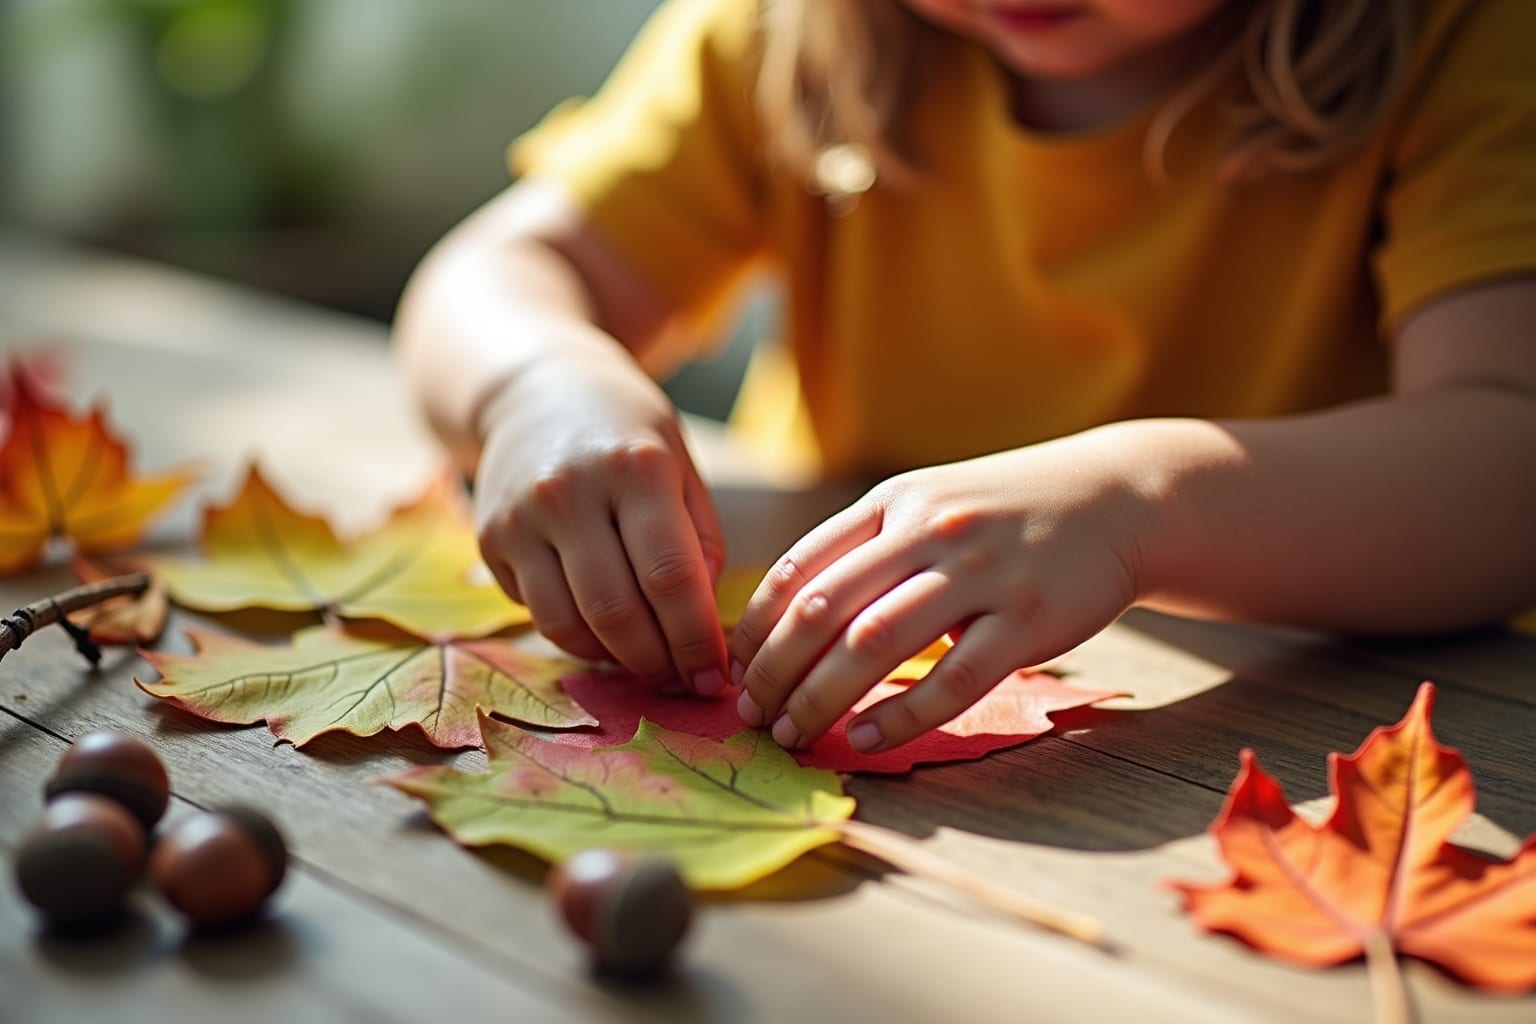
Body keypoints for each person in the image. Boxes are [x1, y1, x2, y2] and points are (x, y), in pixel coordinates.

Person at [395, 0, 1536, 756]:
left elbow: (1508, 463)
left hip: (1320, 744)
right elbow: (498, 271)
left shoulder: (1469, 37)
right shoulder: (793, 26)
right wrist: (538, 387)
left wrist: (1147, 503)